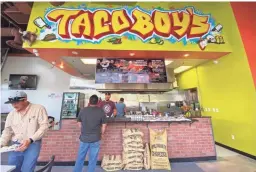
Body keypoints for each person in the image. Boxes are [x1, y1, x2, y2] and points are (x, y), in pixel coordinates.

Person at [0, 91, 49, 172]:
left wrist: (30, 140)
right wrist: (1, 143)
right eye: (12, 103)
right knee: (12, 168)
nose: (14, 105)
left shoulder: (38, 109)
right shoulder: (11, 114)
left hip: (33, 144)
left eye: (16, 102)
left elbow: (44, 127)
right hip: (15, 145)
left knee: (27, 169)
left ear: (25, 100)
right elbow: (7, 131)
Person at [74, 95, 107, 172]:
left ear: (89, 101)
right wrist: (102, 134)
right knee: (93, 159)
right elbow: (104, 126)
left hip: (84, 138)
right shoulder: (101, 111)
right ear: (98, 102)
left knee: (80, 157)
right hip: (95, 138)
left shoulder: (83, 110)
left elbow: (79, 122)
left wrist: (83, 130)